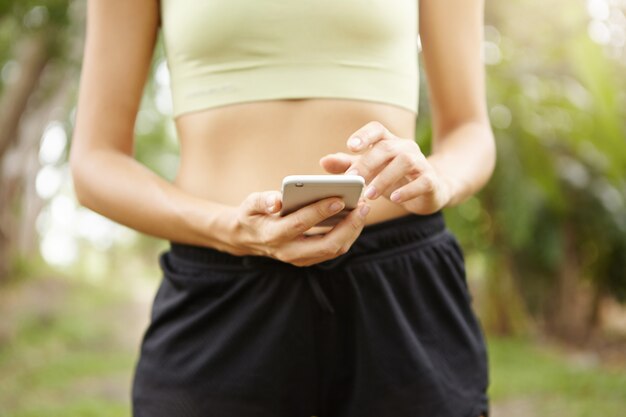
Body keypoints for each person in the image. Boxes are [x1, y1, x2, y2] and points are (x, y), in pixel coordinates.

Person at [70, 0, 495, 416]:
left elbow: (469, 128)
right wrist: (225, 227)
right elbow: (95, 161)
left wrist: (441, 180)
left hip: (401, 295)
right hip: (221, 291)